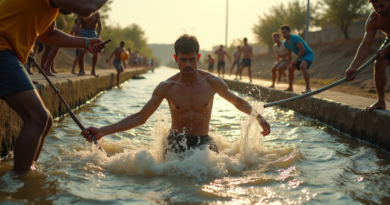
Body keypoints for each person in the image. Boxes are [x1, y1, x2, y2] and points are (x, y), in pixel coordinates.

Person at [81, 34, 270, 157]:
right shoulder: (167, 87)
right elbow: (141, 117)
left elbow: (237, 102)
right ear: (176, 59)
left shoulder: (212, 82)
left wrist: (259, 117)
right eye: (183, 60)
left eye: (191, 59)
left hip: (204, 143)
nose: (187, 64)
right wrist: (103, 131)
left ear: (198, 58)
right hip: (175, 142)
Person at [0, 0, 108, 171]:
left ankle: (28, 171)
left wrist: (86, 43)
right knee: (38, 118)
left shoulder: (50, 8)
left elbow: (47, 36)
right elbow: (87, 8)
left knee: (46, 120)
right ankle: (19, 181)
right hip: (2, 51)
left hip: (8, 55)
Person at [346, 0, 390, 111]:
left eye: (382, 6)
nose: (379, 10)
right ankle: (381, 101)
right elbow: (366, 44)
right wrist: (353, 66)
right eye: (375, 7)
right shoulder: (374, 19)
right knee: (379, 64)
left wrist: (385, 50)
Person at [281, 25, 314, 94]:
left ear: (289, 32)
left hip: (308, 55)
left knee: (302, 66)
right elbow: (289, 54)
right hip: (301, 57)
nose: (283, 34)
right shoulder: (285, 43)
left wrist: (296, 60)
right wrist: (288, 64)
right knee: (290, 68)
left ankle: (308, 89)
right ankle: (290, 88)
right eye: (282, 33)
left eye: (285, 32)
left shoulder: (295, 38)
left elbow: (302, 49)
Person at [77, 12, 103, 77]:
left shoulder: (96, 13)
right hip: (83, 32)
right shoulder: (80, 12)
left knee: (96, 50)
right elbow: (78, 26)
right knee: (81, 51)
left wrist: (98, 36)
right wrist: (80, 37)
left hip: (93, 33)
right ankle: (81, 70)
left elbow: (100, 26)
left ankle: (93, 70)